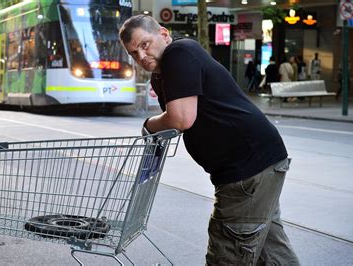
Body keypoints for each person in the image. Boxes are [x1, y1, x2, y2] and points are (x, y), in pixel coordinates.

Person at [119, 15, 300, 265]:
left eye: (144, 44)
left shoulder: (179, 53)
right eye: (133, 53)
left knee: (227, 253)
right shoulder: (161, 76)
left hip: (246, 169)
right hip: (257, 163)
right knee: (272, 252)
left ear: (163, 33)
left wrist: (149, 125)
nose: (140, 56)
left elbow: (181, 119)